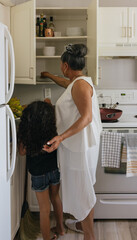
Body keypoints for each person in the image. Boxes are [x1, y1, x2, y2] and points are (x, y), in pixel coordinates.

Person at [41, 43, 102, 240]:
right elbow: (64, 83)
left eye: (60, 65)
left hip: (79, 149)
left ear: (65, 65)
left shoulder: (80, 85)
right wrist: (49, 76)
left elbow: (86, 117)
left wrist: (60, 137)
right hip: (78, 147)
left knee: (82, 192)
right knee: (82, 190)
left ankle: (89, 236)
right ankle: (84, 228)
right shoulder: (77, 81)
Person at [17, 101, 64, 240]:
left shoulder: (29, 133)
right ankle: (60, 228)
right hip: (54, 170)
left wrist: (21, 135)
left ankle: (46, 238)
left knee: (44, 208)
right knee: (55, 198)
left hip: (38, 174)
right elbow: (49, 107)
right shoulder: (52, 129)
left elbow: (21, 152)